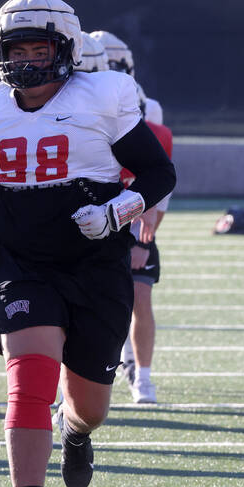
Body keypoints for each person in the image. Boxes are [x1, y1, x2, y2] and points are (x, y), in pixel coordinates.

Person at [0, 0, 175, 487]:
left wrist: (120, 210)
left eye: (39, 49)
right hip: (23, 264)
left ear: (65, 49)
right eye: (15, 50)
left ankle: (74, 433)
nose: (26, 62)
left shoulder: (103, 96)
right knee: (28, 385)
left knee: (89, 406)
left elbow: (158, 171)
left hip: (96, 264)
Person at [88, 28, 170, 403]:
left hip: (129, 212)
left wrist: (141, 231)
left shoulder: (146, 111)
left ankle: (142, 373)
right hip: (90, 215)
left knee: (139, 296)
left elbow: (154, 177)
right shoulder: (71, 104)